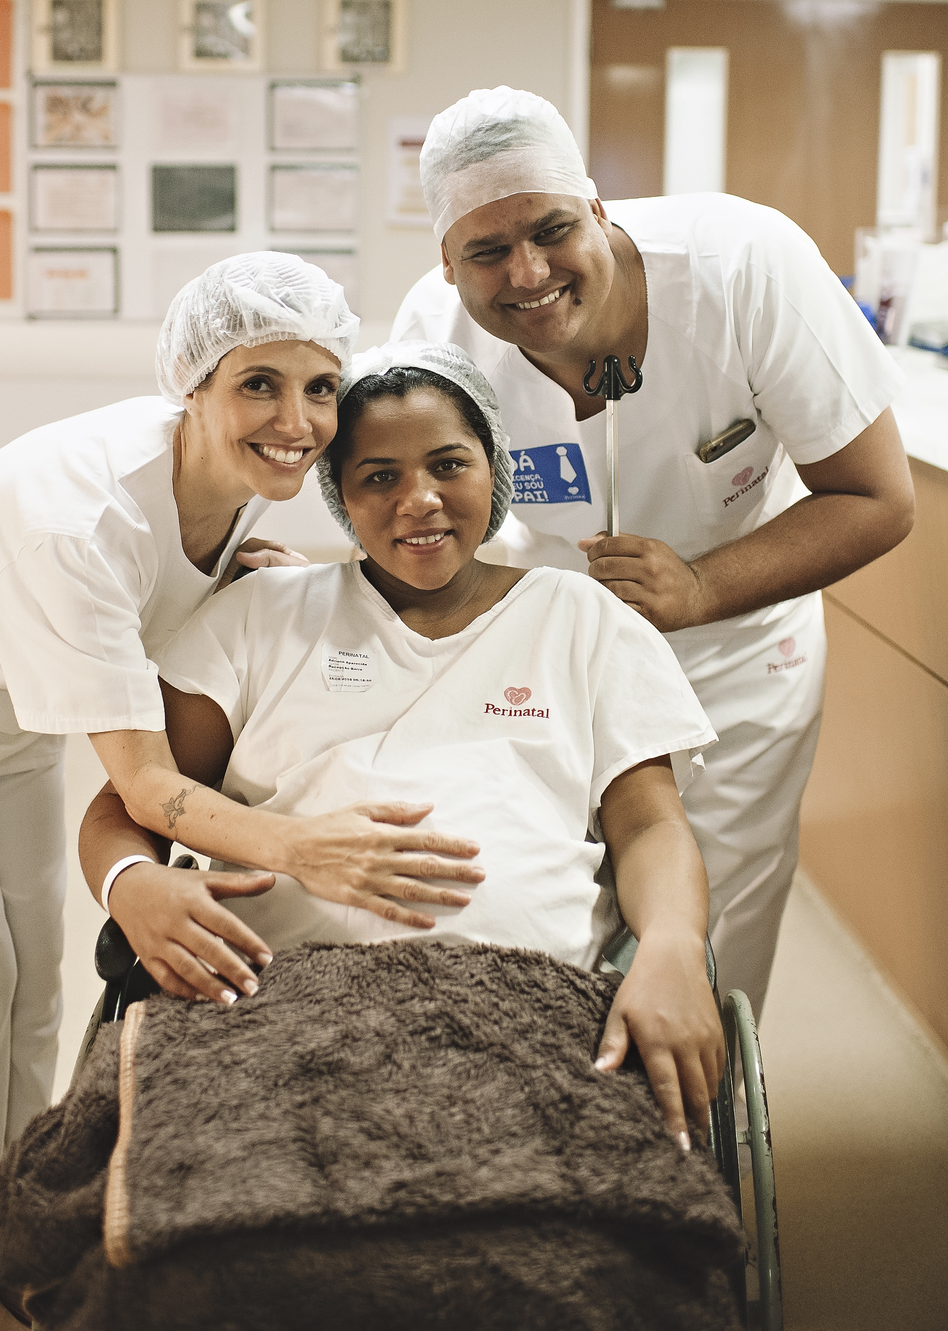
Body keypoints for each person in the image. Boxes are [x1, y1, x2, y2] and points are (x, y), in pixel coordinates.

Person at [0, 252, 399, 1331]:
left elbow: (156, 620)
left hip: (5, 710)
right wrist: (302, 847)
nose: (299, 419)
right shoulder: (80, 513)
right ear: (192, 382)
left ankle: (6, 1231)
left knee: (31, 982)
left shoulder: (229, 483)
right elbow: (142, 777)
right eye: (260, 384)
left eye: (321, 385)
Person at [83, 341, 725, 1147]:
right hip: (278, 1001)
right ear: (338, 493)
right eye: (379, 476)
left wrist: (670, 945)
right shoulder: (258, 617)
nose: (418, 500)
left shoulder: (584, 619)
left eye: (449, 465)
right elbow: (126, 805)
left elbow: (651, 825)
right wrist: (130, 884)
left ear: (495, 469)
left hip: (530, 1001)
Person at [388, 85, 915, 1016]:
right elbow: (412, 519)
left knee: (706, 930)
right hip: (554, 652)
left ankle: (687, 1138)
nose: (527, 272)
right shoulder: (438, 336)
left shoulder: (745, 268)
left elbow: (876, 499)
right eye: (486, 250)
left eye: (551, 229)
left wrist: (703, 588)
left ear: (598, 208)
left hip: (742, 652)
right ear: (446, 263)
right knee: (544, 900)